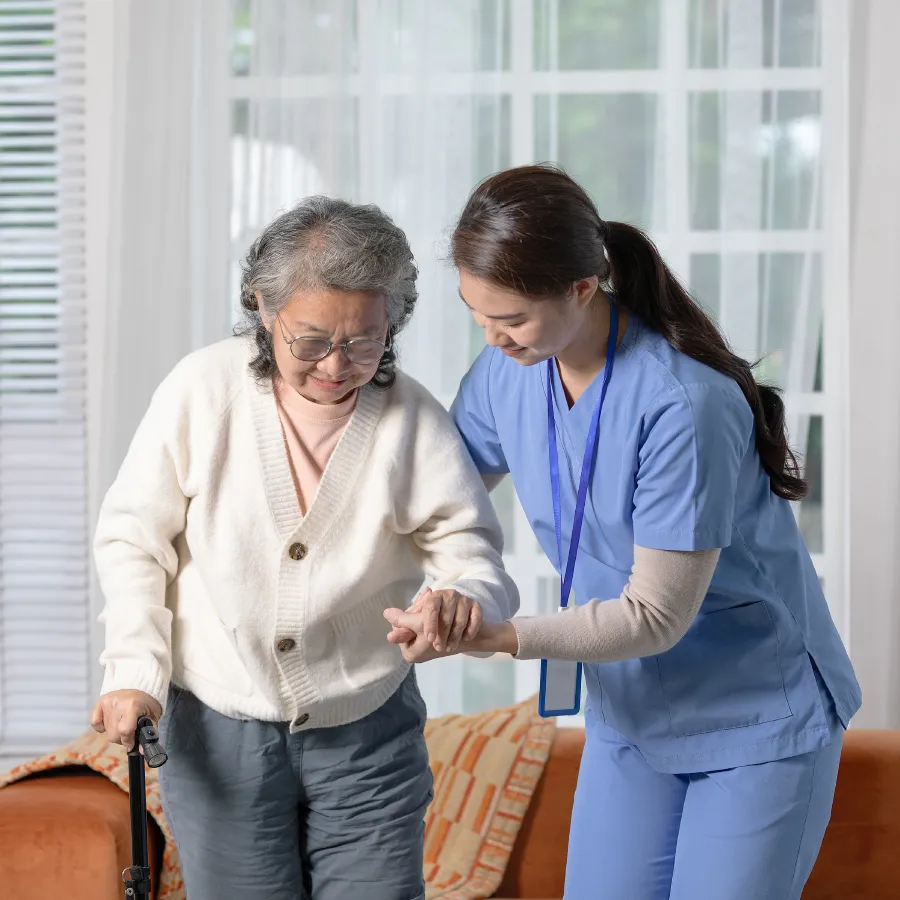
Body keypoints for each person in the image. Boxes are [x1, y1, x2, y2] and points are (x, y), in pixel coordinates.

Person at [385, 165, 861, 900]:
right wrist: (437, 592)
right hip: (630, 711)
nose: (493, 336)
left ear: (582, 286)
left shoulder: (683, 403)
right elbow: (441, 504)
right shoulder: (507, 370)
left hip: (753, 721)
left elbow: (655, 614)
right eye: (477, 314)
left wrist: (497, 635)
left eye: (510, 317)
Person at [89, 197, 518, 900]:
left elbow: (473, 553)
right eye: (312, 341)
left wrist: (460, 602)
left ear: (393, 319)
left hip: (369, 728)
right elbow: (134, 537)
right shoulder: (203, 390)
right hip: (218, 725)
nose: (336, 366)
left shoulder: (412, 419)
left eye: (364, 340)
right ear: (262, 308)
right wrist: (134, 668)